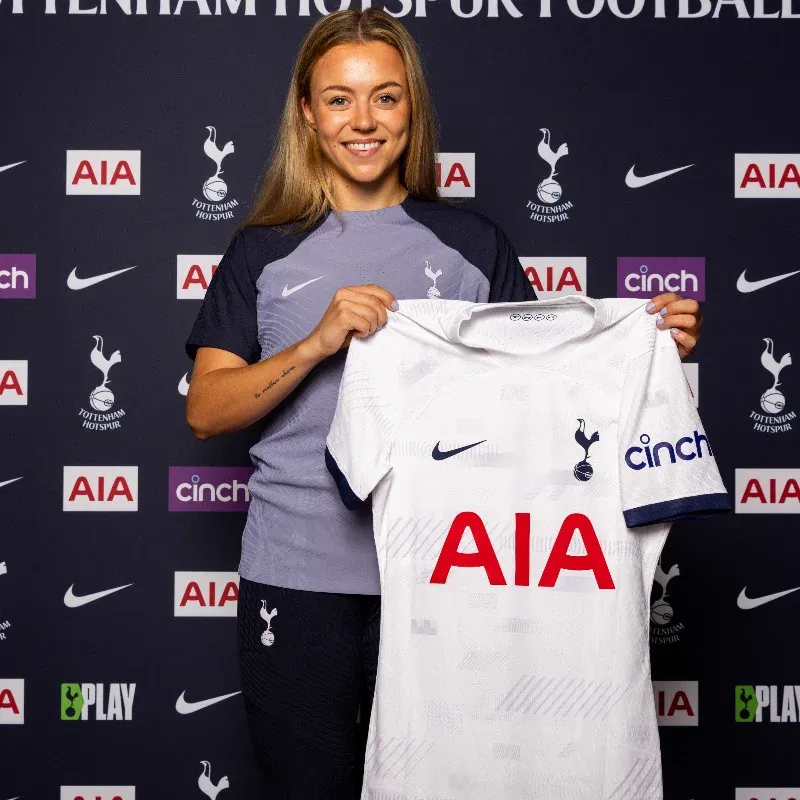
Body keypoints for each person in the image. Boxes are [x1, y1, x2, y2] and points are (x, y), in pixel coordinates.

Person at [184, 8, 703, 799]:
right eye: (339, 99)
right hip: (296, 580)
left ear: (412, 110)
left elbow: (545, 393)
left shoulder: (472, 245)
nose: (363, 121)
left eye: (385, 98)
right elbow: (207, 409)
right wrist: (318, 342)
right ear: (306, 112)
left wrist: (647, 347)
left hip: (448, 580)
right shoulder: (263, 249)